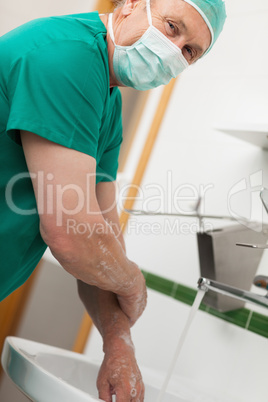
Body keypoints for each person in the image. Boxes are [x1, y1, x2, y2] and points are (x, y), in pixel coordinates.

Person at [0, 0, 226, 400]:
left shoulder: (107, 102)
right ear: (132, 5)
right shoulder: (67, 55)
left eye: (190, 51)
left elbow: (101, 237)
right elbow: (71, 234)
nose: (175, 50)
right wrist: (132, 282)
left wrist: (118, 344)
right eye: (173, 27)